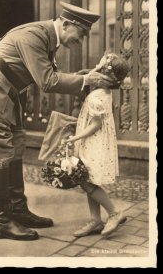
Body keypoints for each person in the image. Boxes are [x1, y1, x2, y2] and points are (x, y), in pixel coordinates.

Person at [0, 1, 115, 241]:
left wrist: (81, 77)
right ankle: (2, 221)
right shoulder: (33, 36)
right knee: (1, 152)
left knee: (17, 145)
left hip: (6, 92)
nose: (83, 39)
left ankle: (18, 211)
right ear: (66, 24)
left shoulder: (47, 37)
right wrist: (87, 81)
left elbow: (50, 75)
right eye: (82, 33)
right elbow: (47, 82)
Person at [64, 52, 129, 237]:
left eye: (99, 68)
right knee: (88, 178)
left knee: (86, 182)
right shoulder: (104, 92)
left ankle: (114, 213)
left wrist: (75, 138)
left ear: (105, 76)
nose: (95, 70)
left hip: (93, 142)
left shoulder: (96, 96)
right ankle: (95, 220)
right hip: (97, 141)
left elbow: (96, 124)